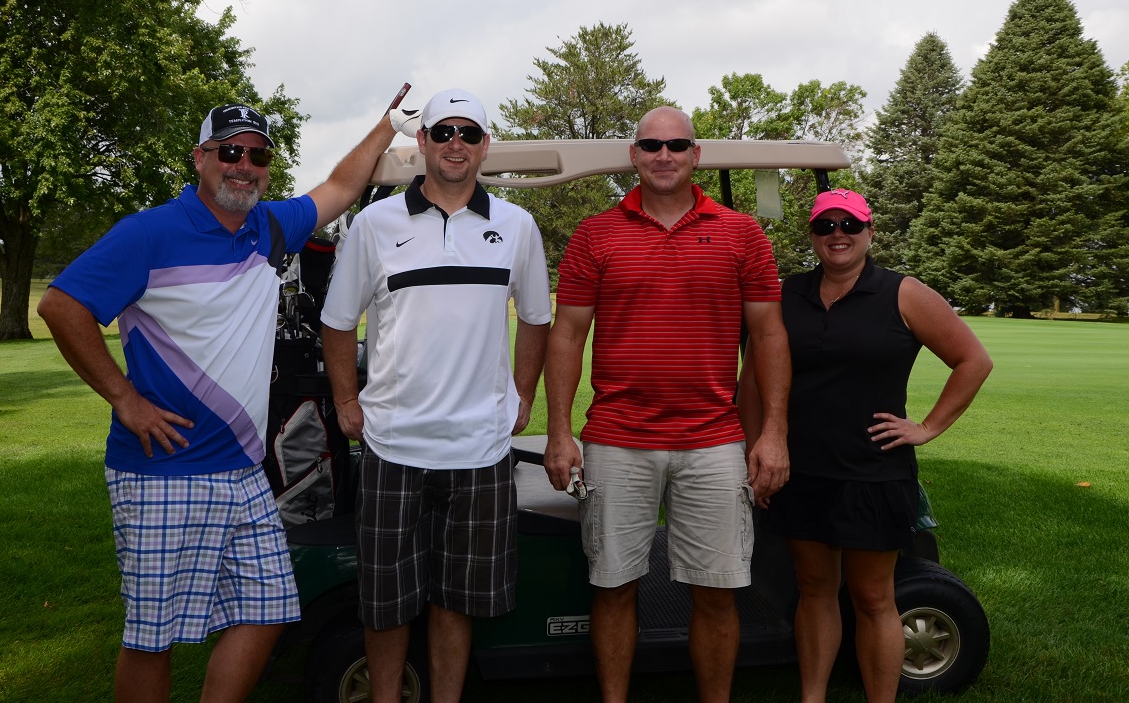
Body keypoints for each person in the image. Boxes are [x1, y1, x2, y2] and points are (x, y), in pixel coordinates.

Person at [37, 100, 400, 703]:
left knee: (269, 608)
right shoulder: (149, 232)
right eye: (230, 152)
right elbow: (62, 306)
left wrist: (389, 123)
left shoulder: (270, 227)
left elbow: (341, 184)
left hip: (243, 474)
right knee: (152, 637)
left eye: (257, 155)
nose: (244, 166)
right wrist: (125, 399)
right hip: (161, 471)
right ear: (201, 158)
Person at [543, 106, 793, 703]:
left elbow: (770, 336)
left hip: (713, 441)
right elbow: (567, 335)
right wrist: (558, 430)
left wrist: (774, 433)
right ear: (634, 155)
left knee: (717, 589)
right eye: (651, 145)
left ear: (695, 155)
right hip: (617, 438)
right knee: (613, 584)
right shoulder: (596, 233)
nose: (664, 155)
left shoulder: (741, 233)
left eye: (677, 145)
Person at [318, 88, 552, 703]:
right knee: (387, 603)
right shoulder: (375, 223)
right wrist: (347, 403)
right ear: (420, 142)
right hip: (394, 444)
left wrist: (521, 394)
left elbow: (536, 318)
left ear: (484, 147)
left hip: (479, 448)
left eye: (468, 134)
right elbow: (338, 321)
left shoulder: (516, 225)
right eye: (442, 131)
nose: (455, 143)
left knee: (458, 599)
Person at [739, 188, 993, 703]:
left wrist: (925, 427)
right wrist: (756, 451)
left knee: (874, 598)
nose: (838, 234)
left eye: (850, 225)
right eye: (825, 225)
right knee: (813, 592)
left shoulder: (903, 293)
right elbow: (750, 385)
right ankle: (813, 696)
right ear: (812, 235)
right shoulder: (787, 294)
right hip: (799, 468)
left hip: (873, 472)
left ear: (869, 231)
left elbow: (973, 361)